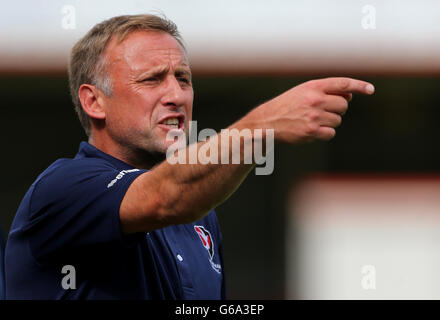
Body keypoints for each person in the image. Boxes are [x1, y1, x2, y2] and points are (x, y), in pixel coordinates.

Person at [4, 14, 374, 299]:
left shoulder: (199, 215)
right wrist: (264, 124)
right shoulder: (63, 188)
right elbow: (165, 196)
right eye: (152, 79)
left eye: (183, 78)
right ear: (93, 101)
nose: (176, 94)